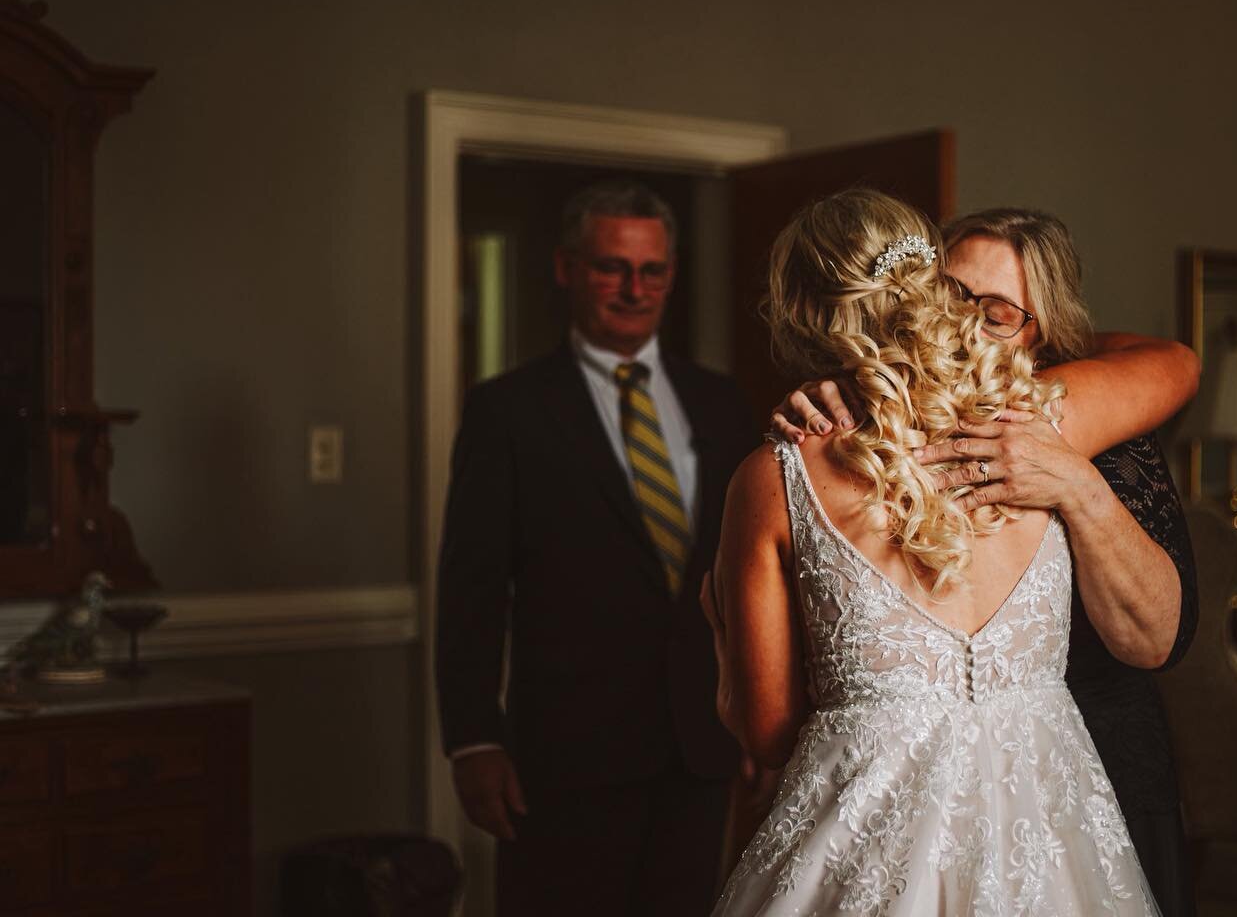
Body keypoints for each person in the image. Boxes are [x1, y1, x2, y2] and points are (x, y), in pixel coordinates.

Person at [705, 189, 1196, 915]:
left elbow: (768, 732)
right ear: (927, 291)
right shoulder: (1048, 418)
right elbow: (1180, 362)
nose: (970, 323)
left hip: (882, 836)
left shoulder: (777, 479)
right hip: (1048, 844)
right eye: (960, 300)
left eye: (999, 312)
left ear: (801, 315)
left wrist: (719, 622)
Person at [435, 180, 757, 916]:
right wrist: (473, 739)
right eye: (612, 267)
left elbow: (750, 574)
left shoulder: (719, 400)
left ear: (672, 274)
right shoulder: (507, 409)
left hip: (699, 746)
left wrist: (758, 711)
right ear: (566, 268)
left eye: (652, 270)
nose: (633, 288)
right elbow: (471, 586)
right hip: (565, 756)